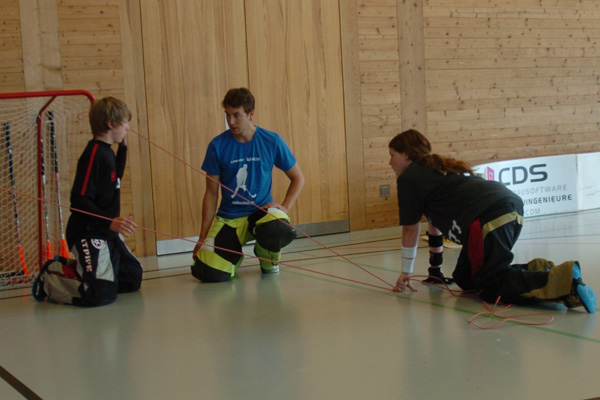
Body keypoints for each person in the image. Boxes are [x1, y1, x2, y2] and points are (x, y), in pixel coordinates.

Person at [389, 129, 596, 313]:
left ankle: (564, 281)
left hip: (488, 216)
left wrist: (405, 273)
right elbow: (434, 223)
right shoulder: (431, 170)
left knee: (489, 285)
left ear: (406, 155)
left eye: (392, 156)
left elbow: (410, 229)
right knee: (465, 278)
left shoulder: (409, 178)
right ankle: (541, 269)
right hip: (505, 206)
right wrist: (435, 270)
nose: (390, 162)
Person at [32, 97, 143, 306]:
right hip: (87, 230)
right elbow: (78, 200)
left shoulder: (108, 152)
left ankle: (91, 270)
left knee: (131, 278)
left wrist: (124, 148)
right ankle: (54, 274)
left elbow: (115, 177)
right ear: (110, 124)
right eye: (125, 123)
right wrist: (109, 221)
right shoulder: (94, 153)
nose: (128, 128)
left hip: (106, 230)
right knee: (101, 294)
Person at [191, 88, 305, 282]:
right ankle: (233, 255)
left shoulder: (271, 141)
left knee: (278, 226)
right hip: (229, 218)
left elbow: (298, 178)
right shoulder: (217, 146)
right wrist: (202, 237)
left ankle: (265, 255)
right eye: (227, 115)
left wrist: (285, 207)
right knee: (208, 272)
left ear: (251, 114)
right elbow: (211, 194)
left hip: (261, 213)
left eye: (237, 115)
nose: (231, 121)